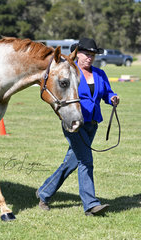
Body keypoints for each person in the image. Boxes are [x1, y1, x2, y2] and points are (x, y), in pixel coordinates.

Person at [36, 37, 120, 216]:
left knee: (71, 162)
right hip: (74, 123)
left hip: (92, 124)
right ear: (77, 54)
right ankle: (91, 205)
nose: (90, 58)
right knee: (86, 161)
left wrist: (112, 97)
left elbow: (106, 92)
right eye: (86, 54)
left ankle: (44, 192)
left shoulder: (99, 74)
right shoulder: (71, 73)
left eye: (92, 55)